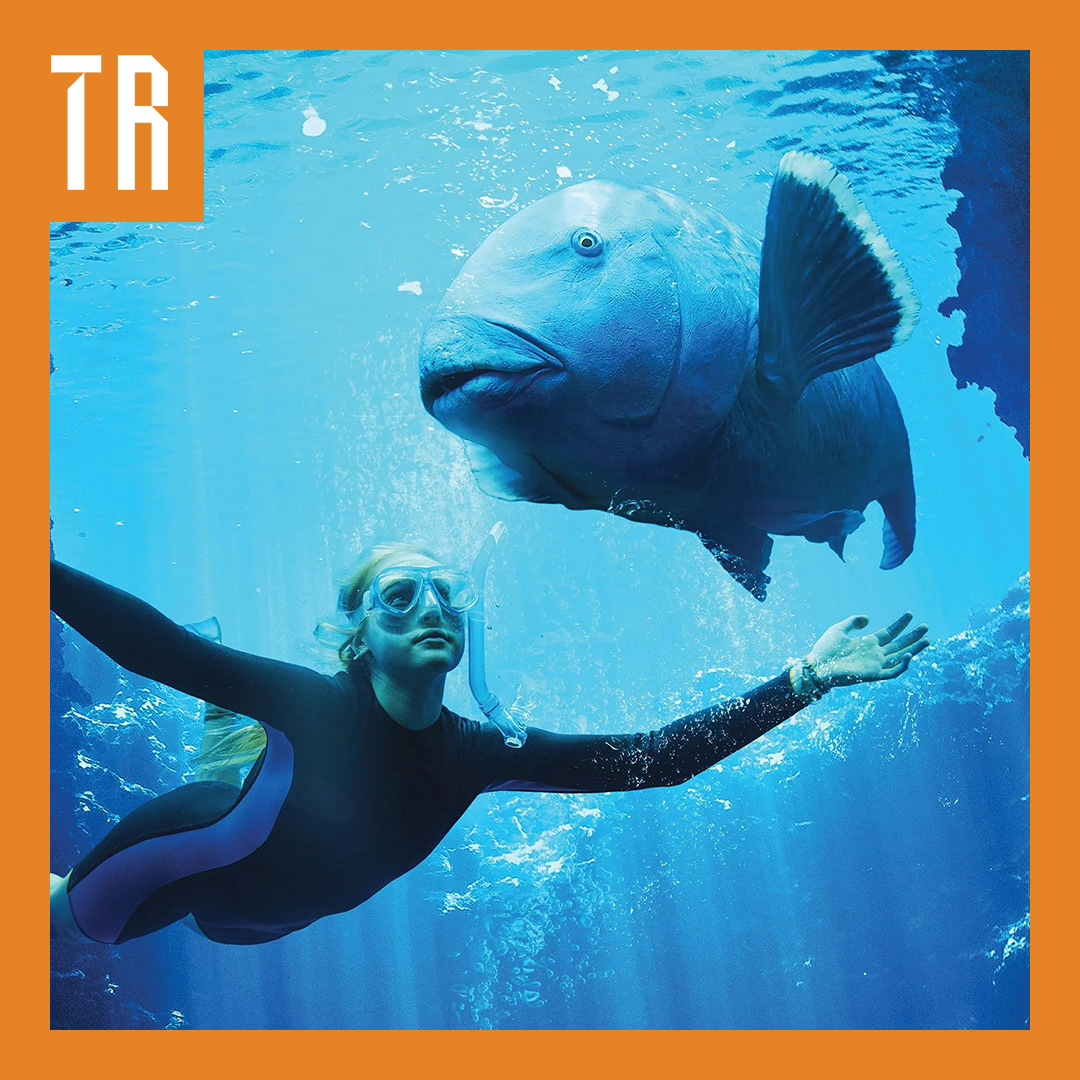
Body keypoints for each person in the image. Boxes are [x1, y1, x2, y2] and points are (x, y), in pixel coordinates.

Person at [50, 543, 929, 946]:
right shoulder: (310, 705)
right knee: (56, 925)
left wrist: (805, 679)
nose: (431, 606)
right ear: (359, 636)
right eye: (401, 596)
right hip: (180, 866)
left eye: (447, 592)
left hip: (268, 924)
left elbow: (656, 759)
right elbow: (159, 649)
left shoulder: (480, 753)